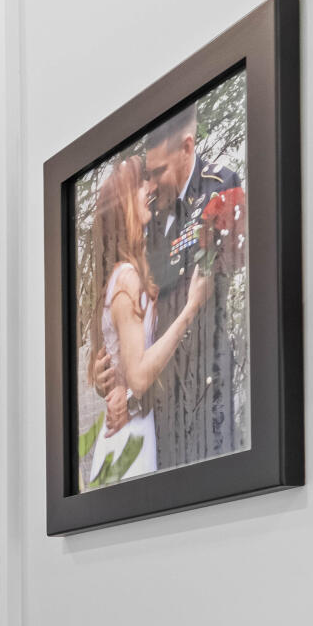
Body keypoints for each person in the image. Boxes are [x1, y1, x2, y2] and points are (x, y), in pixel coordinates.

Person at [80, 151, 212, 487]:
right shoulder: (126, 278)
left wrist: (109, 385)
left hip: (128, 431)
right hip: (131, 437)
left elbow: (113, 370)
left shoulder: (117, 275)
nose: (150, 188)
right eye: (142, 184)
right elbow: (138, 377)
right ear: (125, 202)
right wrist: (191, 308)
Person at [134, 106, 244, 467]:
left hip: (207, 377)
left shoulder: (221, 188)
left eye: (159, 171)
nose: (152, 184)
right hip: (162, 390)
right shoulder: (149, 213)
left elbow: (223, 271)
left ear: (187, 146)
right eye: (148, 174)